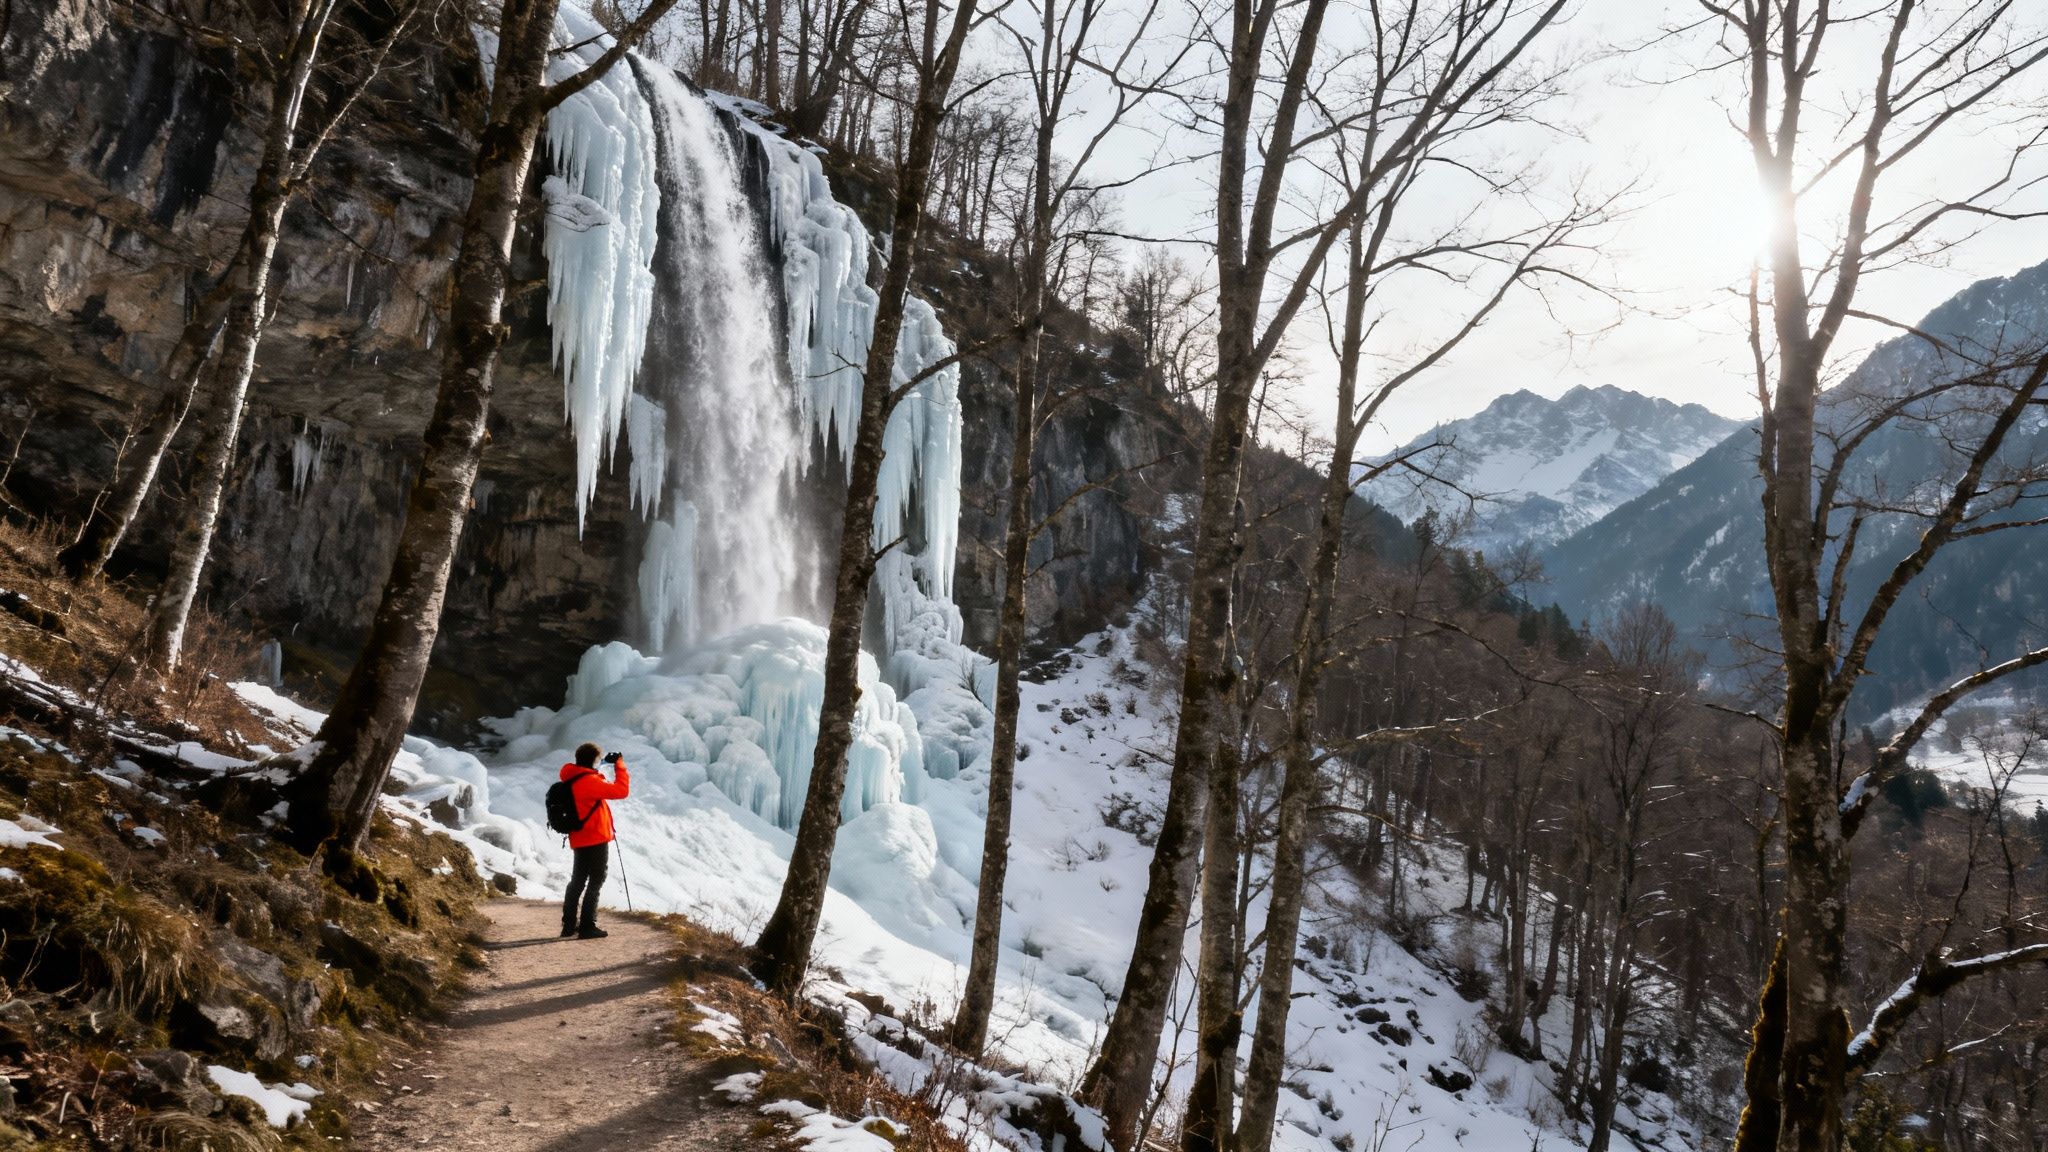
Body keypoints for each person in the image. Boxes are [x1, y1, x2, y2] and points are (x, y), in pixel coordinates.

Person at [559, 741, 630, 939]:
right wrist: (620, 766)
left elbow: (591, 773)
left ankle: (568, 925)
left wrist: (604, 763)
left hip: (579, 837)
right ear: (592, 761)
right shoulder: (590, 782)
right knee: (596, 879)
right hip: (595, 838)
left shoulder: (572, 778)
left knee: (577, 880)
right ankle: (588, 926)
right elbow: (621, 791)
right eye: (598, 760)